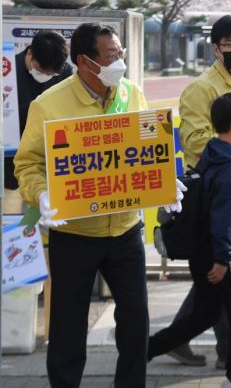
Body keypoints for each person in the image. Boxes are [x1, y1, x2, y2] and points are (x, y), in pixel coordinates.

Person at [14, 23, 156, 387]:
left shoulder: (132, 93)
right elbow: (28, 164)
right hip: (75, 233)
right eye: (111, 56)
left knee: (137, 321)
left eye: (121, 53)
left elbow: (149, 146)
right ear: (85, 61)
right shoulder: (49, 104)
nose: (119, 61)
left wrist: (169, 181)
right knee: (67, 326)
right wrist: (41, 193)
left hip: (125, 229)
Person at [148, 93, 231, 388]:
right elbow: (223, 216)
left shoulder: (212, 154)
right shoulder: (229, 166)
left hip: (204, 249)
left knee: (204, 315)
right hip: (223, 253)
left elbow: (227, 208)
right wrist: (223, 258)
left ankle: (146, 349)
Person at [168, 15, 231, 371]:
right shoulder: (202, 88)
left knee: (220, 276)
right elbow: (195, 142)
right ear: (215, 48)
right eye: (230, 45)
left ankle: (177, 337)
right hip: (217, 191)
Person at [4, 31, 73, 212]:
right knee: (13, 225)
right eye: (42, 71)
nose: (46, 75)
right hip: (11, 167)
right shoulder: (6, 69)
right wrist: (38, 107)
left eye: (52, 74)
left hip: (49, 168)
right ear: (29, 53)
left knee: (43, 224)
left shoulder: (65, 72)